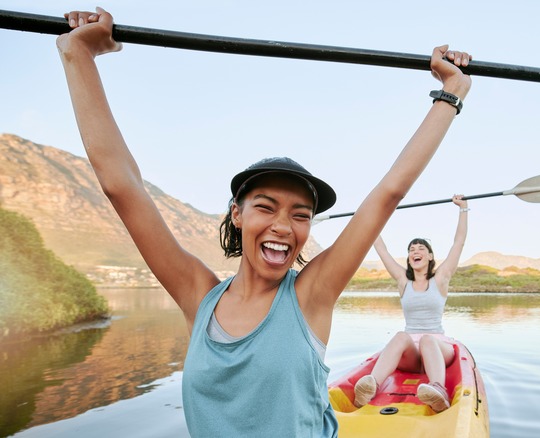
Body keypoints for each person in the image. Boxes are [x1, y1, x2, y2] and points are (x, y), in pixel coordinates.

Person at [57, 7, 472, 438]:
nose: (283, 226)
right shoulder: (197, 296)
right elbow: (122, 187)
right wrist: (78, 55)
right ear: (237, 214)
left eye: (300, 215)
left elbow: (388, 194)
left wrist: (452, 92)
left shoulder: (312, 294)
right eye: (266, 207)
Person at [353, 195, 468, 413]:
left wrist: (463, 209)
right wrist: (373, 215)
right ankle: (371, 386)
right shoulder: (403, 281)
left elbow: (458, 243)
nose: (415, 251)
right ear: (408, 258)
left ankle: (438, 390)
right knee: (399, 336)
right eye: (411, 249)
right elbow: (382, 250)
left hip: (437, 348)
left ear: (430, 256)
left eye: (421, 248)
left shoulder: (441, 279)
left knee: (426, 340)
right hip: (412, 355)